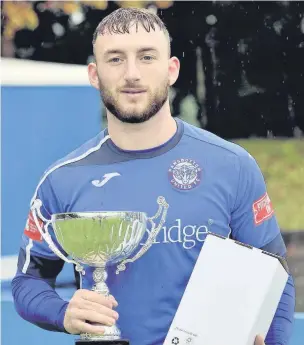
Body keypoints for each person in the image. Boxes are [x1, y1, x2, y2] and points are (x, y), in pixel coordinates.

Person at [12, 7, 295, 345]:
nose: (132, 73)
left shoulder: (232, 166)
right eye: (115, 59)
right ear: (94, 74)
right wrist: (63, 313)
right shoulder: (62, 179)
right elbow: (28, 281)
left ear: (172, 69)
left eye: (147, 57)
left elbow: (276, 277)